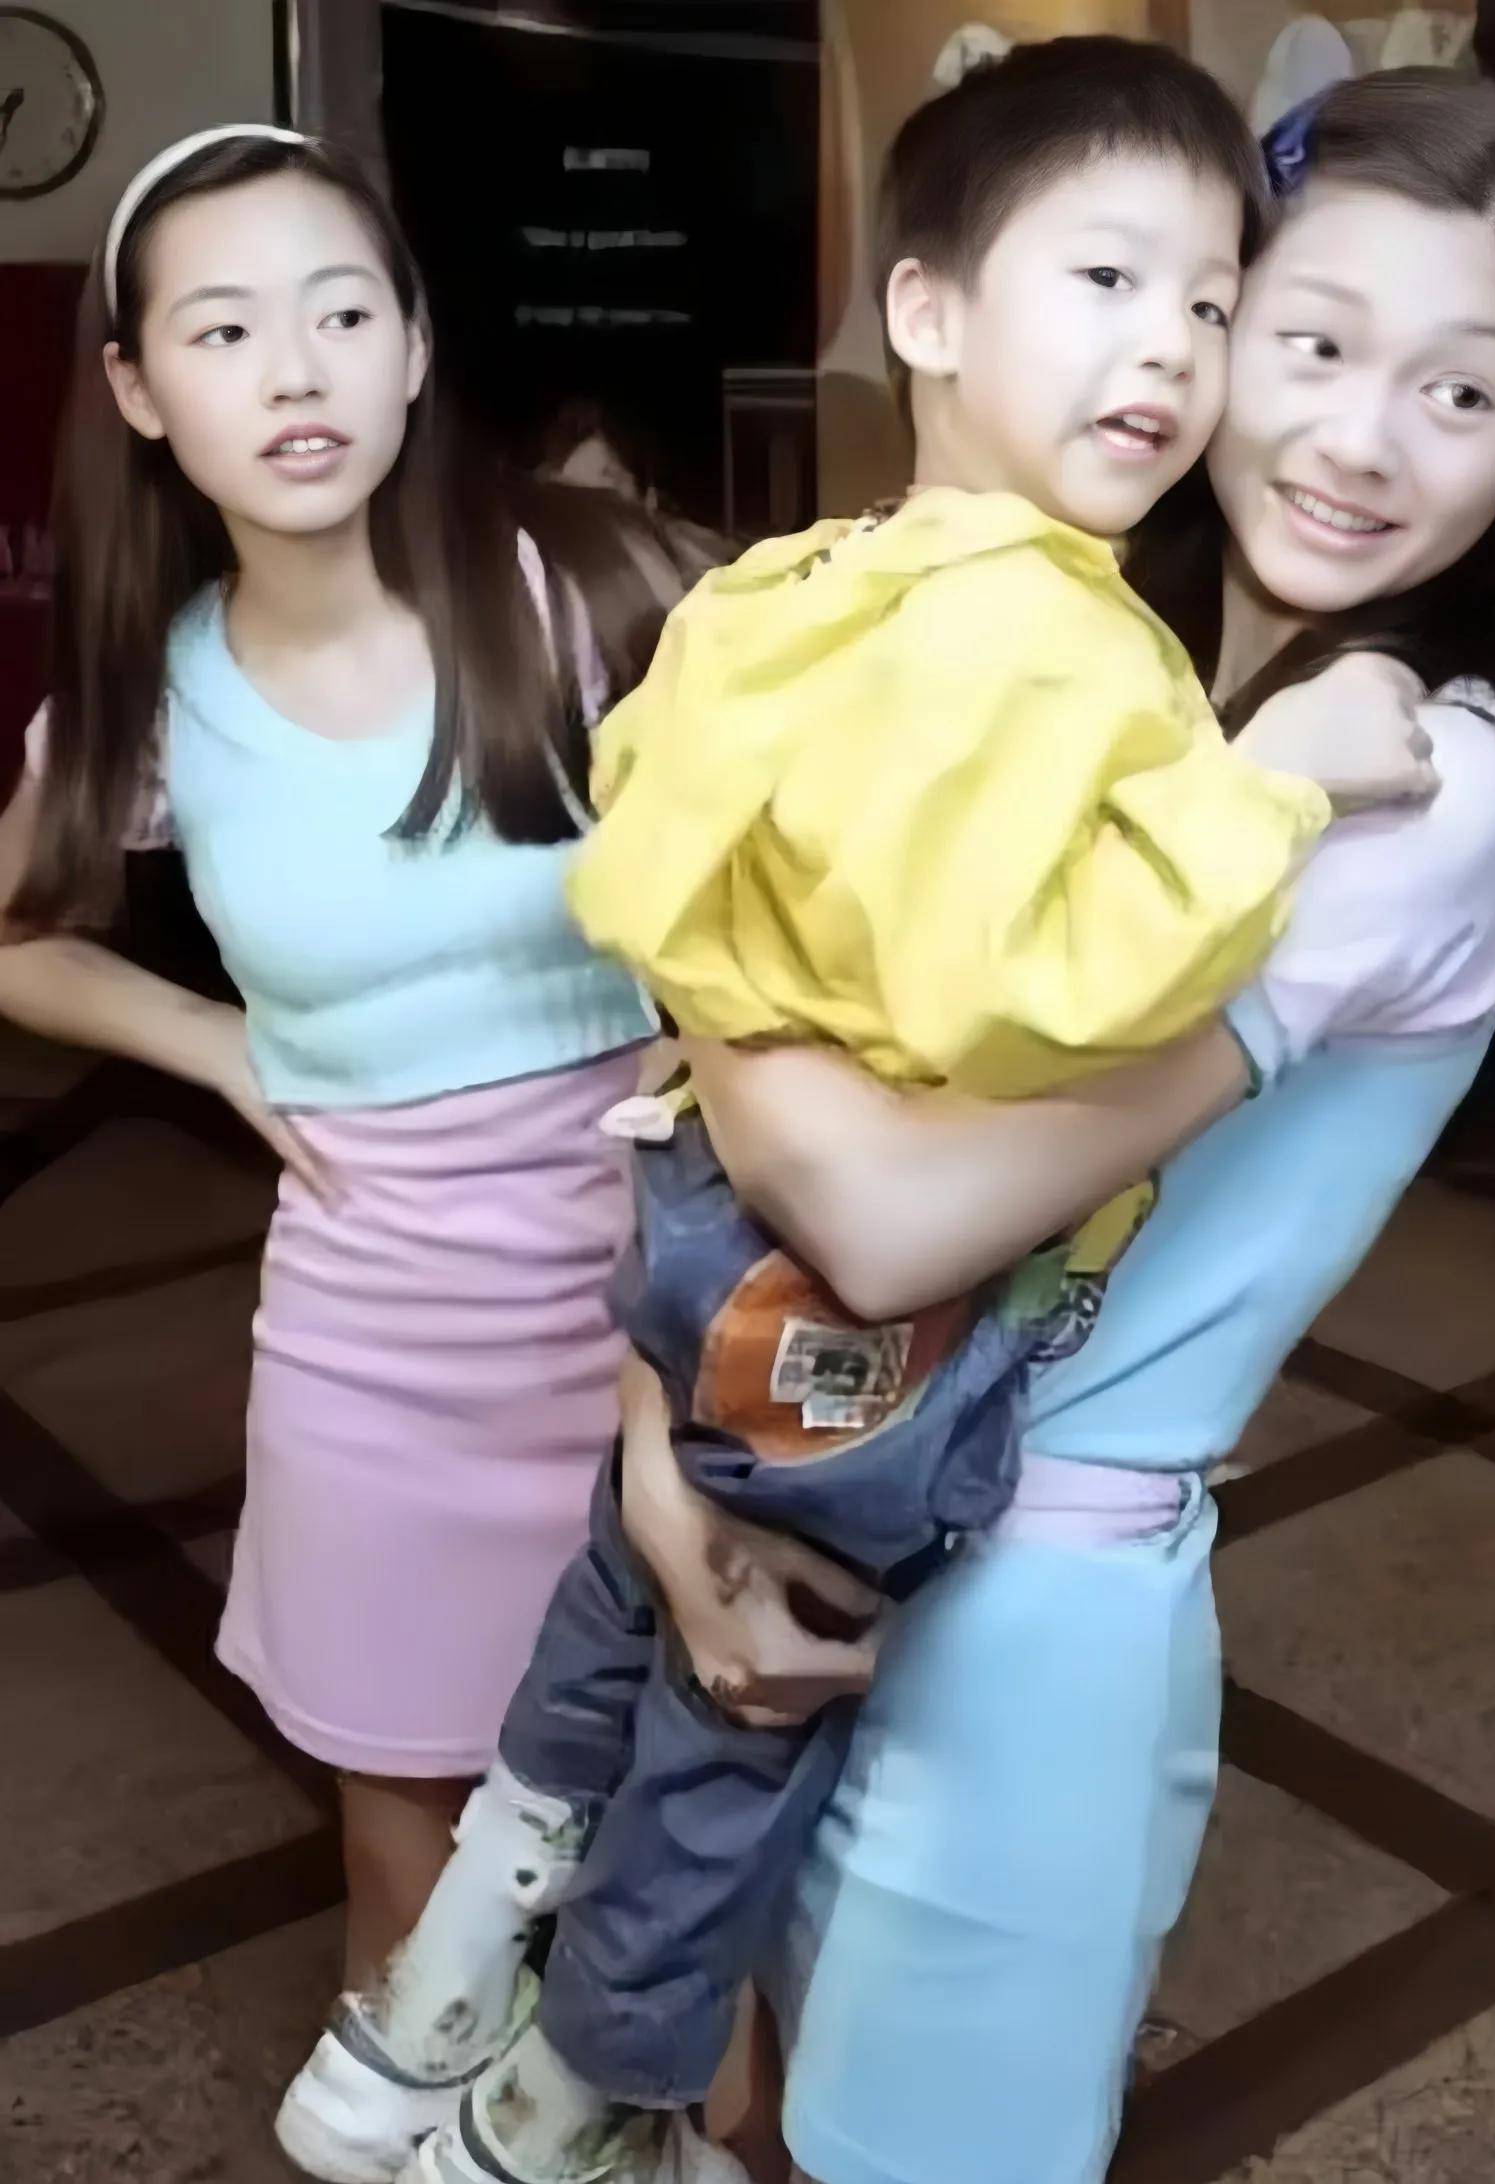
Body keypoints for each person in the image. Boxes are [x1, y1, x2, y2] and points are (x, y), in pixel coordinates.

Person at [279, 42, 1435, 2184]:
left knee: (622, 1596)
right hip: (852, 1294)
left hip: (691, 1197)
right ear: (923, 308)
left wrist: (741, 1021)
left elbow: (643, 847)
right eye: (1106, 279)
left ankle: (430, 1988)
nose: (1167, 352)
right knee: (751, 1711)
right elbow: (1038, 983)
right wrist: (1270, 789)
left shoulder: (789, 583)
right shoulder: (1063, 644)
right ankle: (553, 2108)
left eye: (1208, 303)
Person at [615, 66, 1495, 2184]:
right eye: (1307, 340)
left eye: (1459, 393)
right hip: (803, 1488)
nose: (1357, 440)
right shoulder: (1088, 673)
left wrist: (698, 949)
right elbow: (733, 1116)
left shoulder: (1421, 791)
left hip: (1027, 1614)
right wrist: (657, 1461)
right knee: (736, 2099)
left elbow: (887, 1212)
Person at [0, 127, 695, 2042]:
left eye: (340, 313)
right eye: (224, 330)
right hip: (373, 1333)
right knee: (403, 1832)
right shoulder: (150, 691)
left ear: (413, 345)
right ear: (141, 391)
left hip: (647, 1297)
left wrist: (727, 1028)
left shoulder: (591, 589)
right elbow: (14, 932)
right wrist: (223, 1046)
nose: (295, 372)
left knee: (678, 1819)